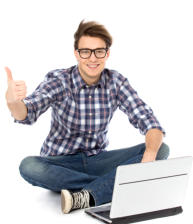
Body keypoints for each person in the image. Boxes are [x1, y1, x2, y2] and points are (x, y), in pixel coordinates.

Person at [5, 20, 169, 214]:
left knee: (160, 148)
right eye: (86, 51)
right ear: (76, 53)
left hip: (98, 159)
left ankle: (85, 195)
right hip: (60, 162)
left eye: (99, 51)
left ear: (107, 54)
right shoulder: (60, 80)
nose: (92, 58)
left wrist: (149, 155)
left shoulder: (116, 82)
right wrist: (13, 103)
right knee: (29, 166)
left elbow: (149, 122)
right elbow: (28, 111)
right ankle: (112, 183)